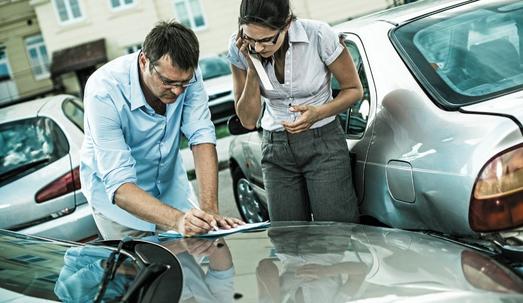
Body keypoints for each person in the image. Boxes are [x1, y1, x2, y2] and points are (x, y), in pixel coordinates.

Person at [80, 20, 243, 240]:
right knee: (144, 271)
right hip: (121, 208)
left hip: (171, 190)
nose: (177, 92)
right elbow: (119, 184)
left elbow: (201, 136)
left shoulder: (187, 75)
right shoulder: (103, 91)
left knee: (196, 259)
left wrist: (209, 211)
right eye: (168, 82)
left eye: (183, 83)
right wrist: (177, 220)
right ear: (144, 60)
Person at [228, 0, 363, 222]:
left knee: (338, 234)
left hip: (323, 144)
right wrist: (253, 68)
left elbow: (354, 90)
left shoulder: (319, 35)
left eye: (266, 40)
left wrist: (319, 113)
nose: (258, 48)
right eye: (251, 40)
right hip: (275, 149)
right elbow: (248, 120)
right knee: (289, 239)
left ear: (287, 24)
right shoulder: (239, 47)